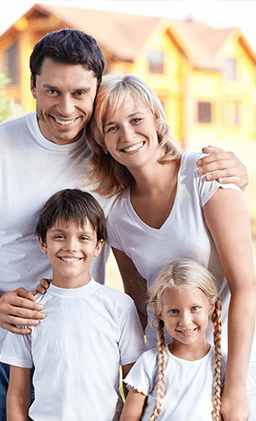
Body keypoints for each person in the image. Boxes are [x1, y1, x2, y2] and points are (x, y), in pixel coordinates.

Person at [0, 29, 248, 420]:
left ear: (95, 92)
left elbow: (241, 281)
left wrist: (236, 174)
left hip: (113, 353)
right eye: (52, 91)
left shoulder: (130, 168)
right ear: (33, 86)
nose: (65, 107)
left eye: (79, 93)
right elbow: (139, 304)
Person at [85, 73, 256, 421]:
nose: (128, 135)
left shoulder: (204, 175)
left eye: (136, 120)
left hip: (231, 363)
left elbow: (246, 286)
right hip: (168, 375)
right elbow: (140, 305)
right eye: (112, 127)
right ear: (101, 141)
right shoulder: (116, 215)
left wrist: (234, 389)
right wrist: (139, 382)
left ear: (156, 118)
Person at [0, 188, 145, 421]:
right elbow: (17, 395)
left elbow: (136, 387)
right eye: (59, 236)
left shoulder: (119, 307)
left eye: (83, 238)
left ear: (98, 246)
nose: (71, 247)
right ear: (42, 242)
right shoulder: (29, 310)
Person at [120, 259, 228, 421]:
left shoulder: (226, 365)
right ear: (159, 313)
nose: (185, 321)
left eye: (194, 308)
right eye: (174, 311)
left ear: (211, 306)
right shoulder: (149, 363)